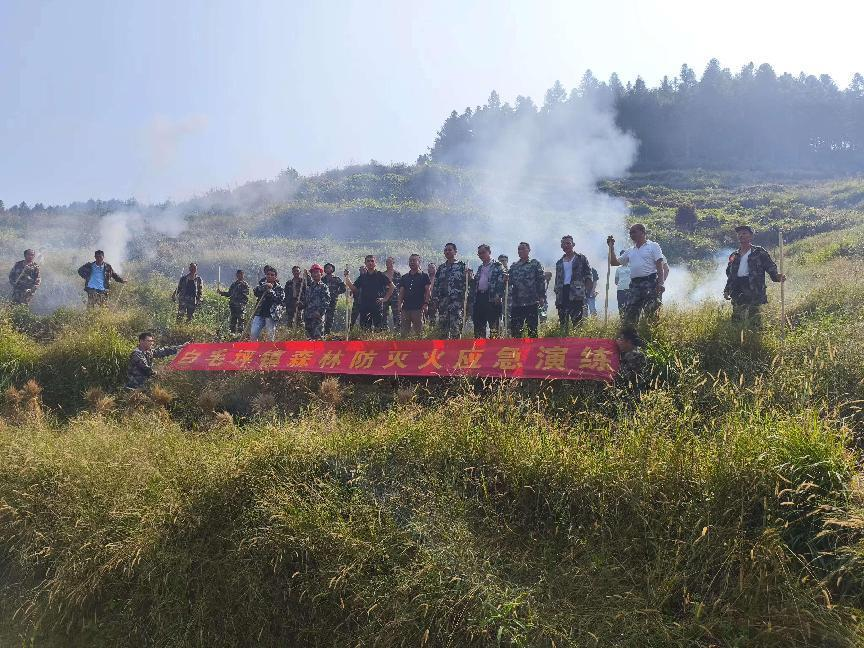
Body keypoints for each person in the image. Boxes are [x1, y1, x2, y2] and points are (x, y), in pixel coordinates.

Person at [723, 225, 786, 327]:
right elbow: (730, 274)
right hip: (737, 288)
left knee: (754, 316)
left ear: (751, 236)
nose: (741, 235)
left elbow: (770, 266)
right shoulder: (734, 255)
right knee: (737, 316)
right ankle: (737, 339)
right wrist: (727, 290)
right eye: (739, 234)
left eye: (744, 233)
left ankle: (754, 336)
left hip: (754, 287)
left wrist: (776, 276)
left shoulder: (759, 252)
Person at [607, 224, 666, 326]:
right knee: (631, 314)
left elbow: (659, 265)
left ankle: (651, 337)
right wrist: (611, 248)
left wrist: (661, 283)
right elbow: (614, 263)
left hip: (650, 283)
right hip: (635, 285)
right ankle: (631, 338)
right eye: (630, 233)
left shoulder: (653, 246)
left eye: (634, 232)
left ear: (642, 232)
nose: (631, 235)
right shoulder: (630, 250)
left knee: (651, 312)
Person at [553, 235, 593, 334]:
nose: (566, 245)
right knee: (563, 321)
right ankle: (564, 342)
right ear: (561, 246)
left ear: (573, 244)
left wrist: (587, 291)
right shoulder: (559, 262)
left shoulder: (581, 258)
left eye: (568, 243)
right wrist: (556, 291)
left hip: (577, 293)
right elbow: (557, 279)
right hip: (562, 293)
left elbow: (588, 275)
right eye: (563, 244)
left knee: (577, 322)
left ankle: (577, 344)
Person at [344, 255, 394, 331]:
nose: (370, 263)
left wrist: (385, 298)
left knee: (379, 329)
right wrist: (347, 277)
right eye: (368, 261)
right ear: (365, 263)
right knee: (365, 330)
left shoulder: (380, 275)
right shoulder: (362, 277)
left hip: (377, 305)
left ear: (375, 263)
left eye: (372, 261)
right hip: (364, 305)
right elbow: (353, 288)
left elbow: (392, 286)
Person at [508, 242, 546, 337]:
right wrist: (506, 278)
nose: (520, 251)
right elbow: (509, 281)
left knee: (532, 329)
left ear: (529, 250)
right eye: (519, 249)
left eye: (523, 249)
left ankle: (532, 350)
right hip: (517, 303)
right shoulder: (514, 266)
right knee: (516, 330)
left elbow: (540, 281)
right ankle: (517, 350)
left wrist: (542, 296)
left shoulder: (535, 264)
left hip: (531, 301)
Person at [470, 244, 505, 338]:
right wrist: (470, 277)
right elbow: (476, 282)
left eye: (483, 252)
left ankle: (494, 348)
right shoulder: (480, 267)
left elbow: (501, 282)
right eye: (479, 253)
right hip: (479, 298)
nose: (481, 255)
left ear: (489, 252)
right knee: (479, 324)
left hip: (492, 298)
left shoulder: (497, 265)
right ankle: (480, 347)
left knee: (494, 325)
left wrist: (499, 295)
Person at [434, 243, 468, 339]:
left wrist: (469, 276)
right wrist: (435, 299)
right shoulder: (441, 268)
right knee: (442, 329)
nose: (447, 252)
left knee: (455, 329)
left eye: (450, 250)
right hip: (443, 303)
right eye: (446, 250)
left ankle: (455, 351)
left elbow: (468, 283)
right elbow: (436, 285)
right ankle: (443, 352)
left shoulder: (462, 266)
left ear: (455, 251)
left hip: (456, 303)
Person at [398, 253, 431, 337]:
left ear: (419, 262)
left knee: (418, 333)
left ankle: (420, 349)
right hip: (405, 309)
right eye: (410, 261)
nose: (412, 262)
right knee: (404, 333)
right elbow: (401, 292)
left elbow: (428, 291)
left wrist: (426, 303)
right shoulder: (404, 277)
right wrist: (399, 305)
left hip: (418, 309)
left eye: (414, 260)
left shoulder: (424, 276)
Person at [250, 266, 285, 341]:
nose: (269, 276)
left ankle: (269, 351)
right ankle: (254, 349)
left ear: (275, 277)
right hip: (259, 313)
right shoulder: (262, 284)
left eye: (272, 275)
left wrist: (270, 290)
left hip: (271, 315)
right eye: (268, 274)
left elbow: (279, 300)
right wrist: (264, 287)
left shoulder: (279, 288)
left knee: (270, 336)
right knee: (253, 333)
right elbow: (255, 292)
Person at [303, 264, 331, 339]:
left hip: (317, 317)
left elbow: (326, 301)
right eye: (313, 272)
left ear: (321, 274)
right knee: (308, 339)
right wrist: (300, 305)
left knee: (318, 338)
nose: (315, 274)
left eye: (316, 272)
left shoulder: (323, 287)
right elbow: (306, 302)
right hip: (308, 317)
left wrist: (320, 312)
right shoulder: (309, 288)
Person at [218, 269, 250, 334]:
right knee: (233, 322)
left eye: (241, 274)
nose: (239, 275)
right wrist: (221, 292)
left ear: (243, 275)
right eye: (238, 274)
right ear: (236, 275)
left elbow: (246, 296)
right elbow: (229, 294)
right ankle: (232, 336)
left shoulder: (245, 285)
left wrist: (242, 304)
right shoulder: (234, 284)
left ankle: (240, 336)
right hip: (233, 306)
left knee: (241, 322)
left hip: (240, 307)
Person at [321, 263, 346, 335]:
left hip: (333, 300)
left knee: (330, 317)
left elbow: (343, 288)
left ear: (332, 269)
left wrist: (337, 293)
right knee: (322, 315)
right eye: (326, 268)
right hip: (323, 300)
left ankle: (327, 332)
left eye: (329, 267)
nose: (328, 269)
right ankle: (321, 332)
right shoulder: (323, 279)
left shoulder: (337, 279)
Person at [382, 256, 401, 330]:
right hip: (385, 296)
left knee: (396, 314)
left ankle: (398, 330)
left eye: (389, 262)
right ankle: (384, 330)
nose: (388, 263)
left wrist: (401, 298)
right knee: (384, 314)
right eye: (387, 262)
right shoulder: (383, 274)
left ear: (393, 263)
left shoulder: (397, 274)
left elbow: (400, 286)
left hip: (395, 296)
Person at [426, 262, 438, 328]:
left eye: (432, 267)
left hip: (436, 300)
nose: (431, 269)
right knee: (424, 316)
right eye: (429, 268)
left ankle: (433, 330)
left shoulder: (438, 278)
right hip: (426, 300)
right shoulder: (425, 278)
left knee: (433, 317)